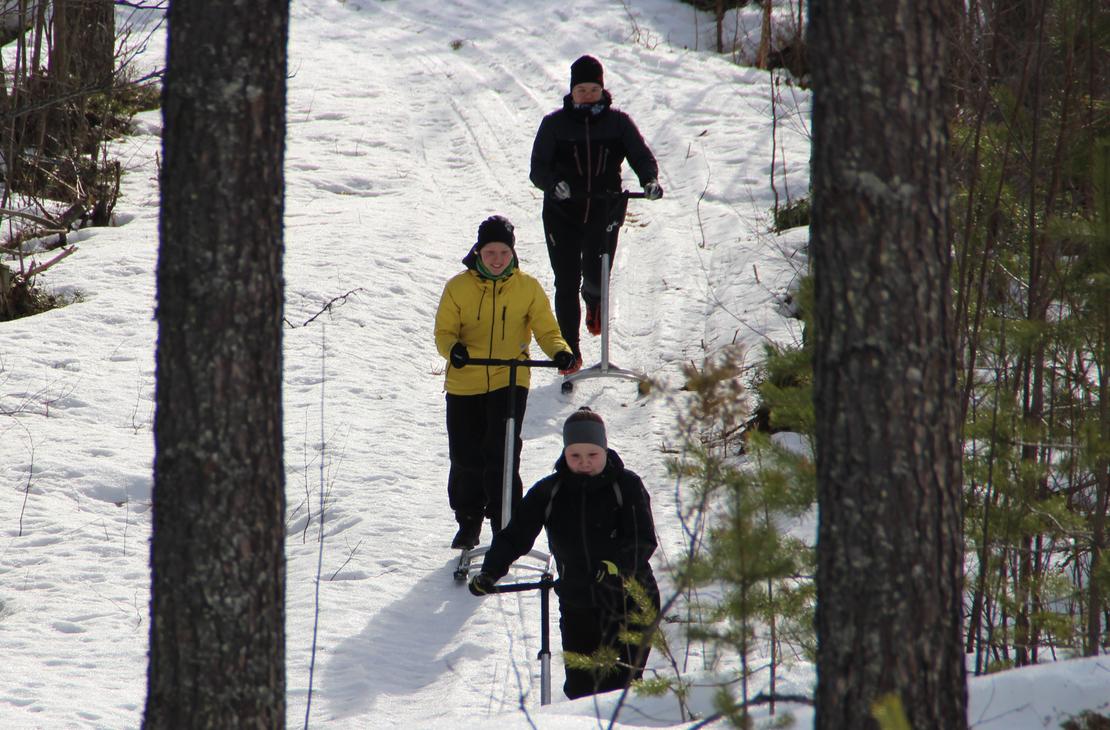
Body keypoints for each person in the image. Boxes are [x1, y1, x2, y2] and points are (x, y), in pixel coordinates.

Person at [468, 407, 661, 699]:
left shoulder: (626, 486)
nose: (584, 462)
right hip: (577, 603)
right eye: (575, 455)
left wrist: (616, 567)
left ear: (605, 450)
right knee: (581, 691)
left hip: (629, 601)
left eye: (592, 455)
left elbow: (642, 539)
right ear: (565, 453)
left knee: (619, 691)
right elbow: (515, 536)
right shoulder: (550, 492)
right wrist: (491, 572)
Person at [435, 215, 576, 550]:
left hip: (509, 379)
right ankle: (468, 522)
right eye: (490, 253)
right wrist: (454, 350)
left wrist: (560, 351)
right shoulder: (458, 287)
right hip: (465, 381)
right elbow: (444, 332)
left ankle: (505, 524)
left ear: (512, 253)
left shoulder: (527, 288)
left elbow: (546, 329)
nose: (497, 260)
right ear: (478, 252)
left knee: (503, 454)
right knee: (466, 457)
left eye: (503, 253)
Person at [529, 54, 663, 376]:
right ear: (571, 92)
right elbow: (538, 169)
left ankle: (594, 300)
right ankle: (570, 351)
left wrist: (649, 181)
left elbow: (641, 156)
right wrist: (553, 184)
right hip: (563, 211)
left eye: (593, 89)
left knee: (595, 272)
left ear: (602, 90)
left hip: (605, 208)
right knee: (565, 279)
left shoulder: (618, 123)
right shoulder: (554, 125)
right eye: (581, 90)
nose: (587, 95)